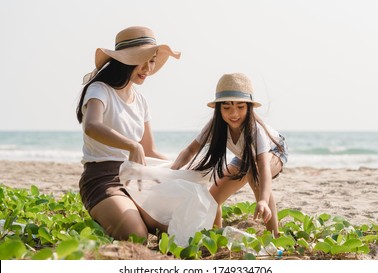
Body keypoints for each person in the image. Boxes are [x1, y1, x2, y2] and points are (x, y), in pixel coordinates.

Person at [76, 26, 180, 241]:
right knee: (137, 236)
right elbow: (91, 126)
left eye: (152, 60)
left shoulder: (141, 100)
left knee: (178, 228)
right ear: (124, 60)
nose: (148, 68)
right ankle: (108, 212)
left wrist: (182, 167)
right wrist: (132, 145)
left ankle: (122, 212)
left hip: (137, 178)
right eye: (142, 60)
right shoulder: (100, 89)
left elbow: (150, 150)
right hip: (102, 179)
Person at [171, 73, 288, 237]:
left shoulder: (256, 130)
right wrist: (174, 168)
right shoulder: (214, 126)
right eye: (227, 108)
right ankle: (217, 236)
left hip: (274, 151)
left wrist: (262, 199)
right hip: (244, 158)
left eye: (240, 107)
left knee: (254, 172)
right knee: (211, 200)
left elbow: (262, 166)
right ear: (219, 109)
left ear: (249, 107)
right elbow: (191, 150)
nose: (234, 114)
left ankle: (275, 236)